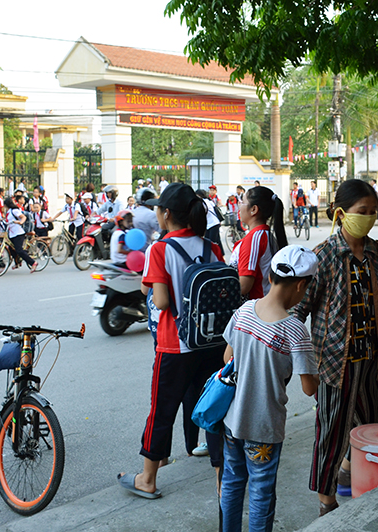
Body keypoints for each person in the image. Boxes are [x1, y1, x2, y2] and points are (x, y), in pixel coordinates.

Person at [293, 178, 378, 516]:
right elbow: (298, 310)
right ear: (341, 213)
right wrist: (300, 365)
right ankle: (327, 501)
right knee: (332, 431)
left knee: (370, 428)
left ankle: (353, 475)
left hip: (370, 361)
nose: (369, 217)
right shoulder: (323, 257)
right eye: (362, 211)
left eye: (373, 212)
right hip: (332, 366)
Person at [117, 182, 224, 499]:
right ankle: (222, 481)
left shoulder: (159, 249)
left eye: (158, 208)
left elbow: (159, 301)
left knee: (162, 411)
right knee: (215, 410)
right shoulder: (210, 248)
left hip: (174, 345)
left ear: (165, 214)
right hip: (211, 343)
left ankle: (147, 479)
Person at [220, 245, 320, 532]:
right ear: (301, 285)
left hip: (232, 419)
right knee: (261, 491)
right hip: (264, 425)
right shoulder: (295, 329)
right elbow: (309, 388)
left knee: (232, 482)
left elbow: (228, 357)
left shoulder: (245, 309)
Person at [229, 186, 288, 300]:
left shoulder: (254, 239)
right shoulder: (264, 235)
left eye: (242, 202)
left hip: (256, 309)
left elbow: (244, 285)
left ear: (254, 210)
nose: (239, 206)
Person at [3, 197, 38, 273]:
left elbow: (23, 217)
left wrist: (20, 222)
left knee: (19, 250)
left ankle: (33, 262)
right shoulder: (8, 212)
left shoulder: (14, 211)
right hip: (11, 233)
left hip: (18, 233)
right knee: (12, 249)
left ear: (6, 205)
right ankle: (17, 263)